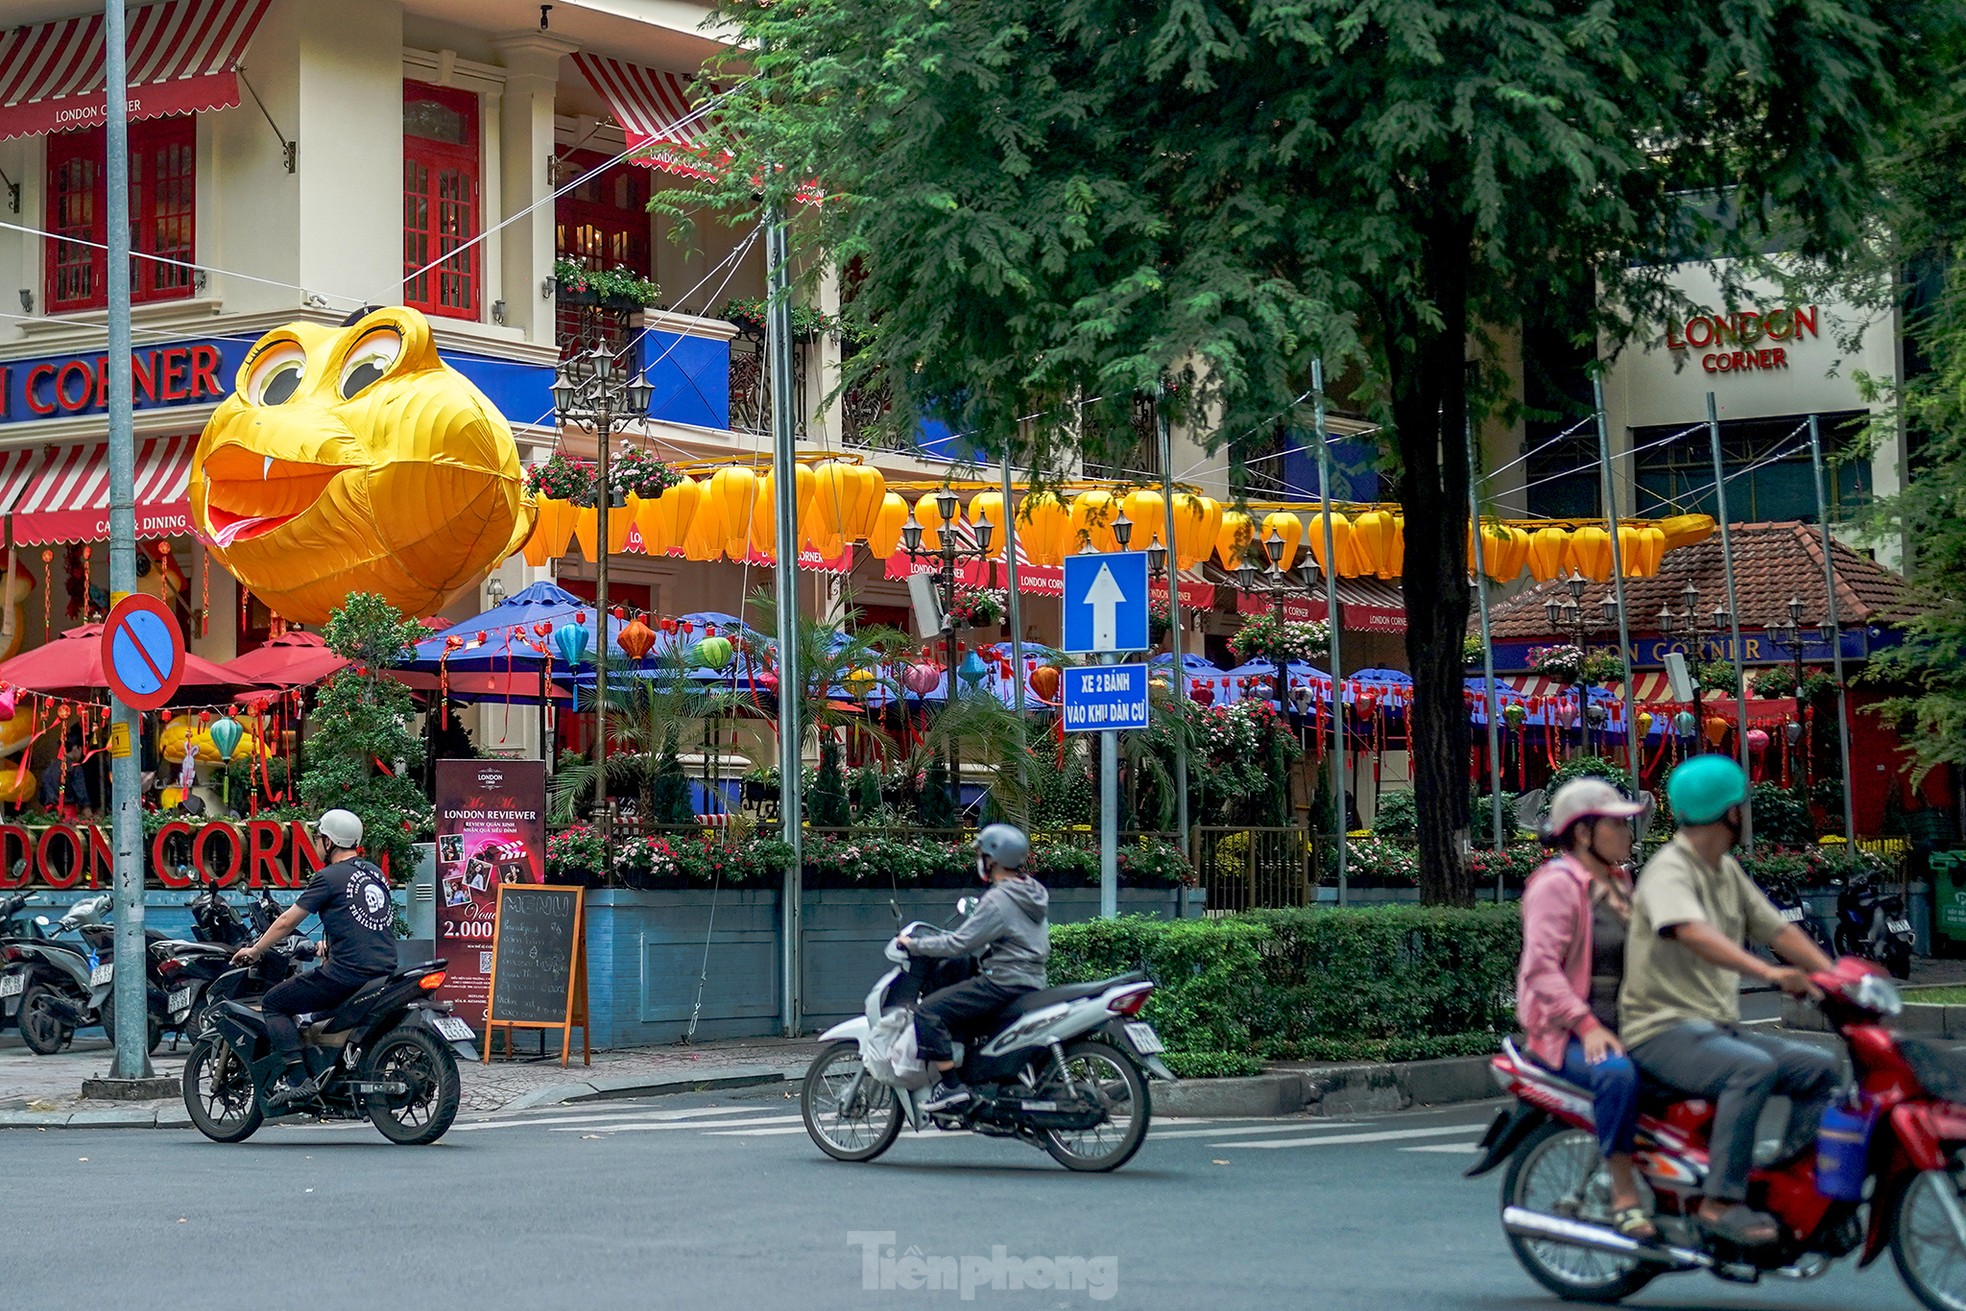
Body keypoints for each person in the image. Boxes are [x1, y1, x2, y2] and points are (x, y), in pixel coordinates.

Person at [1621, 755, 1839, 1248]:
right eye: (1742, 803)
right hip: (1661, 1029)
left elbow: (1778, 929)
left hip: (1715, 1027)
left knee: (1821, 1068)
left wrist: (1837, 976)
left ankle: (1789, 1188)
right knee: (1750, 1069)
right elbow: (1691, 931)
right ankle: (1720, 1202)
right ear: (1730, 812)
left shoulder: (1725, 870)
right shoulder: (1669, 870)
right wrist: (1767, 972)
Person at [1516, 778, 1655, 1240]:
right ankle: (1623, 1193)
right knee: (1617, 1075)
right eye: (1617, 825)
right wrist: (1587, 1025)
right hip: (1570, 1033)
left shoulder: (1620, 881)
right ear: (1582, 833)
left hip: (1629, 1022)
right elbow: (1540, 968)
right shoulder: (1554, 885)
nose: (1628, 835)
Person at [231, 809, 398, 1106]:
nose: (317, 844)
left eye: (319, 838)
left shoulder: (329, 877)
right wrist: (324, 948)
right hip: (383, 970)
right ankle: (331, 1078)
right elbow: (357, 921)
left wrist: (256, 949)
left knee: (274, 1002)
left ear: (330, 842)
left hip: (346, 975)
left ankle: (298, 1079)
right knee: (318, 1017)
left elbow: (286, 922)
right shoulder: (375, 872)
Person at [898, 823, 1049, 1112]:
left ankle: (951, 1088)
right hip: (1030, 979)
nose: (980, 861)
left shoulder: (999, 899)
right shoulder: (1031, 892)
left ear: (992, 859)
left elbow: (959, 943)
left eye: (982, 855)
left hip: (1002, 981)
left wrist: (915, 944)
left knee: (929, 1011)